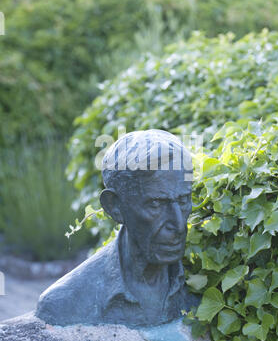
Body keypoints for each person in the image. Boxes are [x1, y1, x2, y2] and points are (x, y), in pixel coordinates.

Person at [36, 130, 199, 327]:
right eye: (156, 204)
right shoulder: (65, 304)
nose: (179, 225)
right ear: (114, 207)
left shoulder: (208, 282)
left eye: (183, 201)